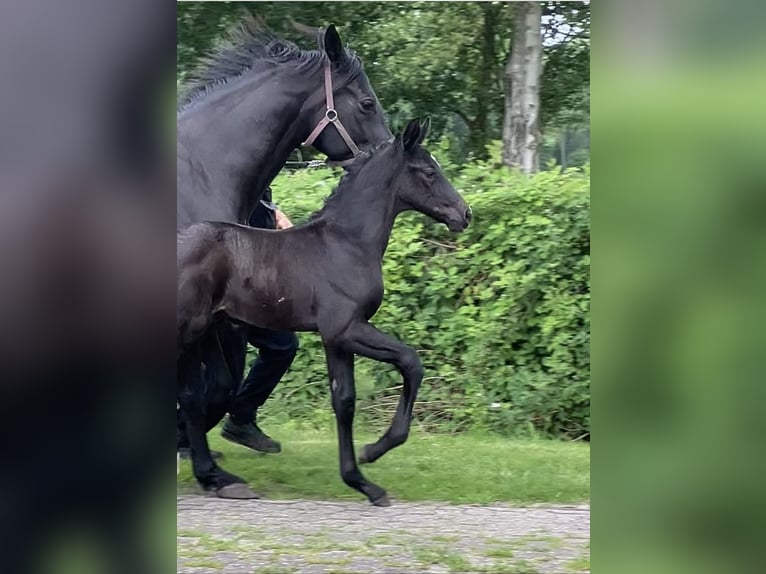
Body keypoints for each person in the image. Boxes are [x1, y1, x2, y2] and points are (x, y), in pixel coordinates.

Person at [177, 187, 298, 458]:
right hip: (225, 291)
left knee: (283, 346)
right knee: (222, 380)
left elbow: (258, 201)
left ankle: (241, 418)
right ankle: (184, 439)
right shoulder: (213, 178)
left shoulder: (260, 174)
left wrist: (274, 212)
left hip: (253, 287)